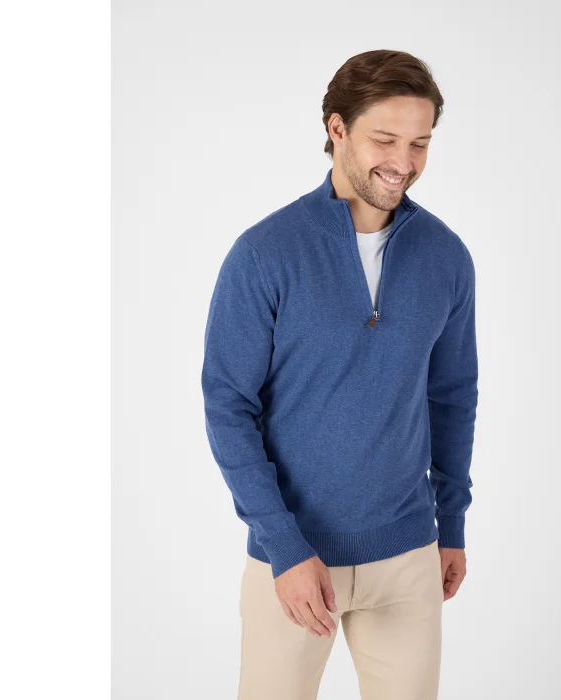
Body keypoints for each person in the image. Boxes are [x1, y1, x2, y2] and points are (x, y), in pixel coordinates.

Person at [201, 48, 479, 700]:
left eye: (420, 143)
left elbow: (451, 397)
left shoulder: (446, 257)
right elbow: (228, 406)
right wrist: (284, 545)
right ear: (337, 129)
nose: (404, 161)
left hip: (408, 556)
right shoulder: (264, 254)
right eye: (385, 139)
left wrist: (453, 526)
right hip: (294, 559)